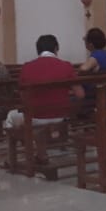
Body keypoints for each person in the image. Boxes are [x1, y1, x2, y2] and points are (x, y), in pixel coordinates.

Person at [14, 34, 85, 164]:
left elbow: (23, 96)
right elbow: (80, 94)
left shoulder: (27, 67)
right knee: (42, 119)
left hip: (36, 115)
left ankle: (24, 156)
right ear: (56, 48)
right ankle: (45, 150)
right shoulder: (66, 66)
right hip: (61, 115)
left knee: (12, 118)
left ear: (38, 50)